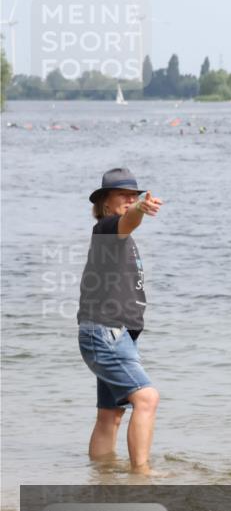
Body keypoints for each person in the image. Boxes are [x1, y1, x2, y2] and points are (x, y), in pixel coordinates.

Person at [77, 168, 164, 474]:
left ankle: (102, 477)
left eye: (134, 195)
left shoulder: (118, 237)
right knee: (147, 398)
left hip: (113, 333)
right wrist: (139, 208)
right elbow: (130, 220)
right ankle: (141, 474)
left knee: (110, 414)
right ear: (105, 203)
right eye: (123, 195)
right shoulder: (107, 230)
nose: (130, 199)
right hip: (105, 332)